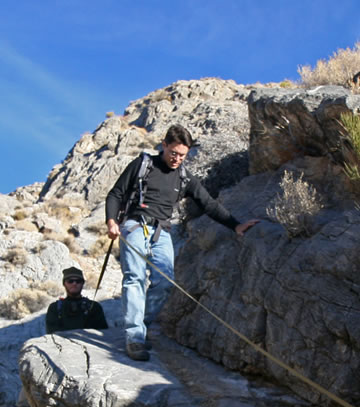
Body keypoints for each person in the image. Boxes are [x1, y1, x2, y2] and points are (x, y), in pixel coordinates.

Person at [105, 124, 258, 361]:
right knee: (134, 276)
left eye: (182, 155)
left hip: (162, 231)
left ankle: (141, 326)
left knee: (165, 282)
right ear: (164, 145)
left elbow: (209, 204)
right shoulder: (143, 165)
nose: (177, 159)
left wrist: (235, 225)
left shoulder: (185, 178)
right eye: (173, 153)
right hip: (135, 224)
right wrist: (112, 221)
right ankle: (134, 337)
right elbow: (115, 193)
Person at [45, 267, 109, 334]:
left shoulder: (94, 307)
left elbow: (103, 334)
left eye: (78, 281)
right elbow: (52, 334)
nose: (74, 284)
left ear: (82, 284)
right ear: (64, 284)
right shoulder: (54, 308)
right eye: (70, 281)